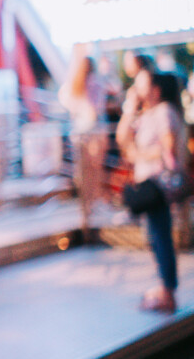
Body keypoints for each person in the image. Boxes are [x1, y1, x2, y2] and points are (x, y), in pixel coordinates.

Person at [116, 66, 186, 313]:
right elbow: (121, 137)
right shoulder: (147, 114)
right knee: (155, 236)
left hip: (158, 183)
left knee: (160, 236)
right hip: (148, 183)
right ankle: (166, 288)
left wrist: (139, 154)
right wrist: (129, 107)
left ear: (157, 90)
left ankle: (168, 291)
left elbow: (168, 149)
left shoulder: (165, 112)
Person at [59, 53, 111, 230]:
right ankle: (94, 202)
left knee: (84, 169)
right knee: (95, 168)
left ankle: (86, 204)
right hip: (95, 129)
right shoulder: (95, 82)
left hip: (80, 131)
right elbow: (97, 107)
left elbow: (65, 99)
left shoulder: (74, 85)